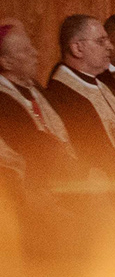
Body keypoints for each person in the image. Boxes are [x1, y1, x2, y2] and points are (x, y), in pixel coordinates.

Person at [41, 14, 115, 182]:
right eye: (101, 41)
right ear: (77, 48)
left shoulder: (100, 85)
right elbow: (95, 156)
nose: (109, 47)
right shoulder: (64, 95)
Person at [0, 20, 82, 188]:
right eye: (26, 50)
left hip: (68, 177)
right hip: (38, 186)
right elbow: (32, 148)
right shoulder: (4, 101)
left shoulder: (35, 87)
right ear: (6, 62)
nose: (36, 53)